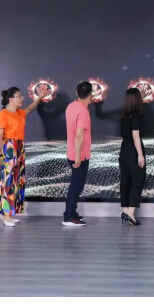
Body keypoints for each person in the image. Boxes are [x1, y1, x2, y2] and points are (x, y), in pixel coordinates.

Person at [0, 84, 49, 227]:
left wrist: (39, 98)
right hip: (9, 148)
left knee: (17, 181)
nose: (22, 99)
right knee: (8, 181)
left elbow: (30, 108)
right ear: (11, 99)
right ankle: (6, 215)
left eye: (22, 96)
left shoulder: (19, 113)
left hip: (19, 148)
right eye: (19, 96)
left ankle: (8, 213)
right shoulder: (3, 114)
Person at [62, 81, 94, 227]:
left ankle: (72, 213)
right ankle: (69, 216)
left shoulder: (71, 106)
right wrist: (78, 157)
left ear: (77, 93)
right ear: (90, 94)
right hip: (79, 155)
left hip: (72, 152)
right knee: (76, 186)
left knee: (76, 185)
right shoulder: (83, 112)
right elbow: (79, 135)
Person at [119, 88, 147, 226]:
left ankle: (125, 212)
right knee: (137, 181)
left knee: (125, 182)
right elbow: (136, 136)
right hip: (133, 151)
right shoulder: (136, 116)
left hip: (124, 150)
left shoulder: (123, 116)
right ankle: (130, 214)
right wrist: (140, 154)